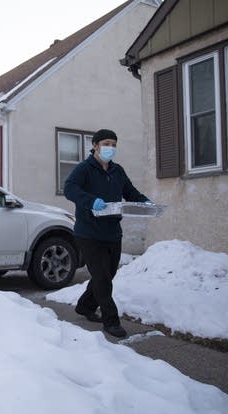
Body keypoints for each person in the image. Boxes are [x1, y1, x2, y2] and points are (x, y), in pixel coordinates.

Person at [64, 128, 151, 338]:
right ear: (94, 145)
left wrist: (146, 203)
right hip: (88, 232)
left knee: (108, 274)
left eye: (113, 144)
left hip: (112, 232)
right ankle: (111, 321)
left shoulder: (117, 171)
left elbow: (130, 192)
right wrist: (90, 201)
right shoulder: (85, 169)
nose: (110, 148)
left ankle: (85, 305)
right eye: (106, 143)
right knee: (102, 278)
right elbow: (69, 188)